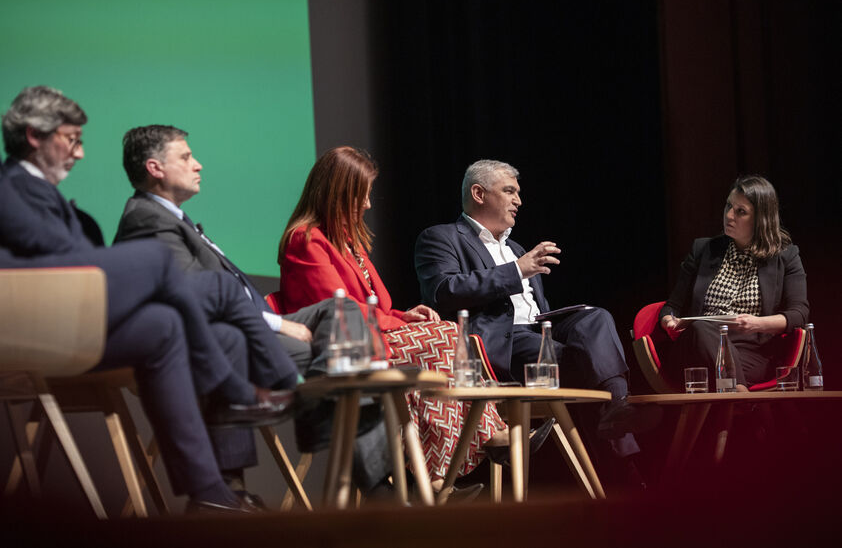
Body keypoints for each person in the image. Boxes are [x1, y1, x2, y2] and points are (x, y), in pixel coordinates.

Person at [0, 86, 296, 512]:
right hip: (38, 326)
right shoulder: (10, 188)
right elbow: (60, 259)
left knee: (164, 325)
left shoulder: (43, 194)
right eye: (72, 140)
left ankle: (209, 492)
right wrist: (125, 269)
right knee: (158, 261)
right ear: (34, 135)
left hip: (69, 322)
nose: (79, 154)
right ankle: (235, 387)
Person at [113, 125, 390, 497]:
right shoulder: (146, 218)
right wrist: (275, 323)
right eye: (185, 157)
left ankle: (323, 404)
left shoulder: (173, 218)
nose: (198, 165)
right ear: (154, 168)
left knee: (341, 312)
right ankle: (372, 482)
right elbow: (191, 297)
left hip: (253, 325)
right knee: (349, 357)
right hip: (227, 337)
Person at [276, 146, 552, 494]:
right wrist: (396, 323)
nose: (368, 205)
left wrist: (402, 315)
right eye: (362, 196)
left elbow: (374, 306)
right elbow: (337, 310)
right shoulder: (306, 241)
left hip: (373, 338)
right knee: (447, 337)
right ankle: (476, 447)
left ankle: (437, 481)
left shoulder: (350, 244)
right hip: (339, 348)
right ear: (338, 193)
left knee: (432, 361)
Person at [415, 159, 660, 483]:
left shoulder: (515, 247)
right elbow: (445, 291)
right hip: (498, 343)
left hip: (538, 328)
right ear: (478, 193)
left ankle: (617, 406)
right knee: (586, 364)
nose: (519, 201)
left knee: (595, 317)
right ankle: (623, 468)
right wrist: (517, 270)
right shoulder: (442, 237)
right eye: (509, 191)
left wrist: (520, 265)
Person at [658, 175, 809, 390]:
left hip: (751, 354)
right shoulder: (703, 250)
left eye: (741, 211)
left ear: (761, 218)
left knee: (720, 368)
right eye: (729, 206)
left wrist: (756, 324)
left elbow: (799, 314)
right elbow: (671, 306)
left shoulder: (786, 256)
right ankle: (742, 397)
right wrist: (668, 321)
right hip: (695, 349)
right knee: (703, 328)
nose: (729, 215)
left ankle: (731, 407)